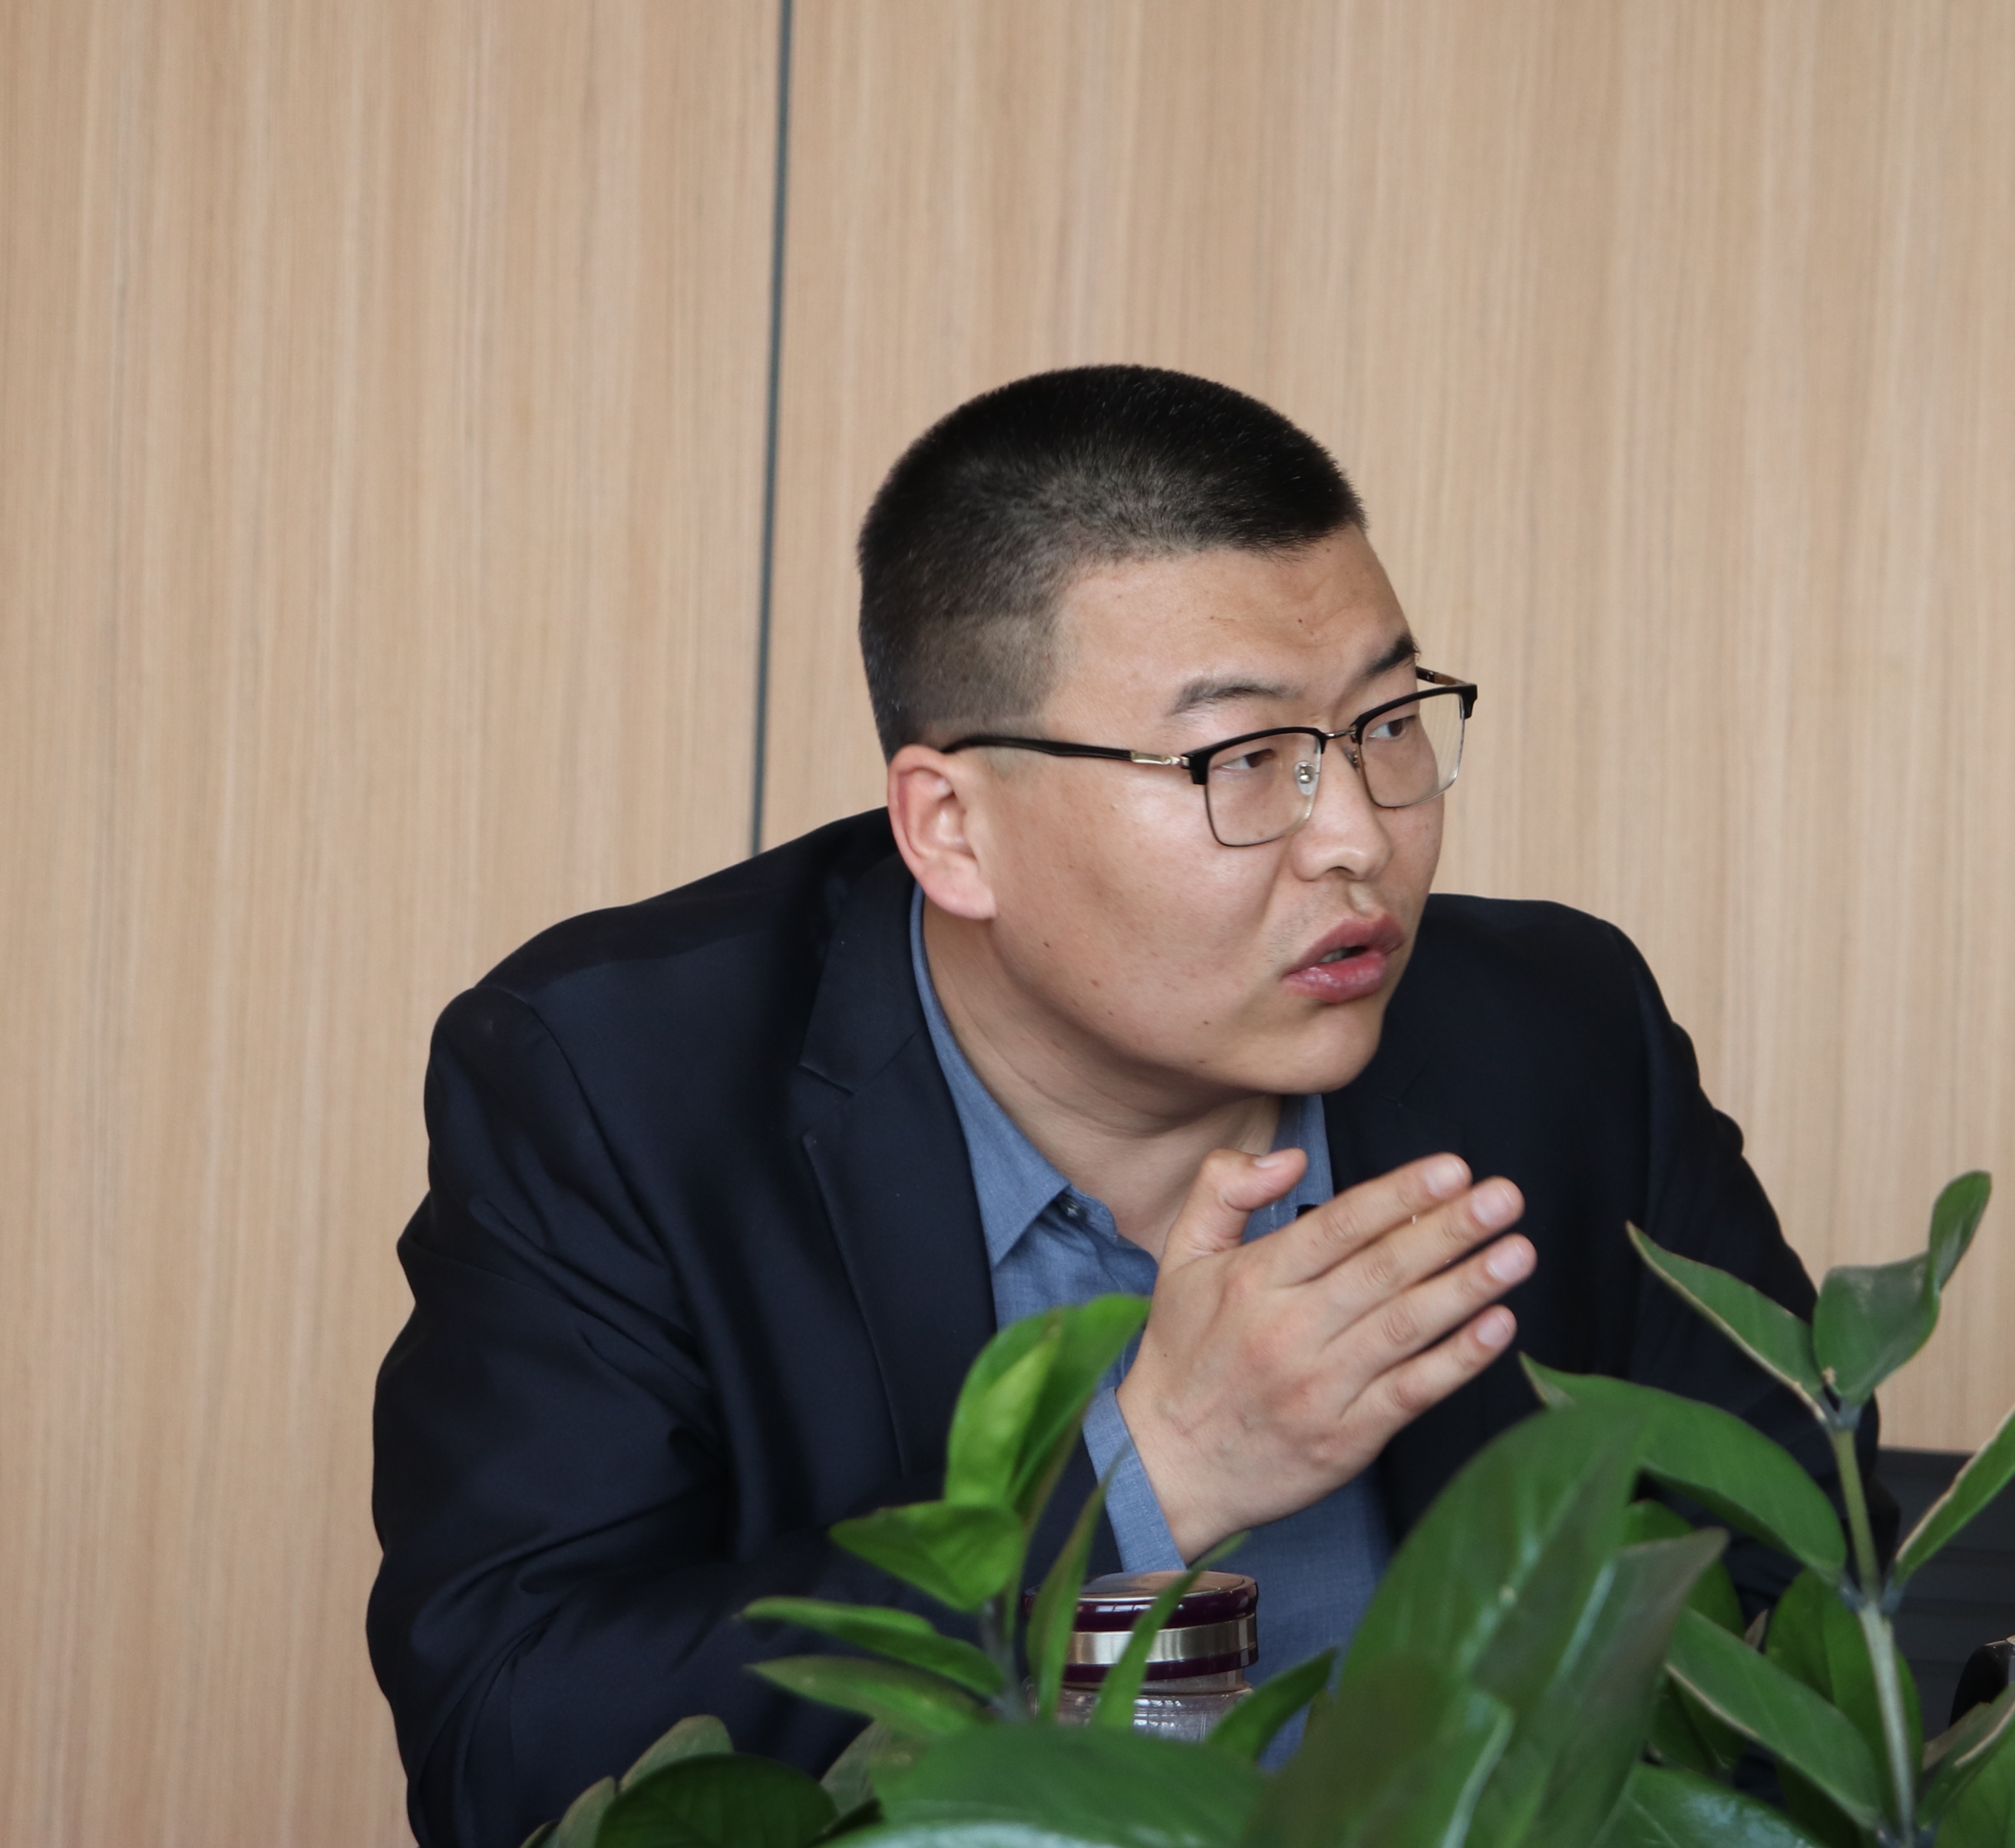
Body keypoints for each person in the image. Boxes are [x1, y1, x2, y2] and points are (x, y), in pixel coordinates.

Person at [368, 365, 1887, 1848]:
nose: (1358, 838)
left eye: (1387, 723)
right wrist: (1148, 1472)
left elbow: (1802, 1606)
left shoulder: (1556, 1033)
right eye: (1245, 758)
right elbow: (509, 1751)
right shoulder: (618, 1085)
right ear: (953, 830)